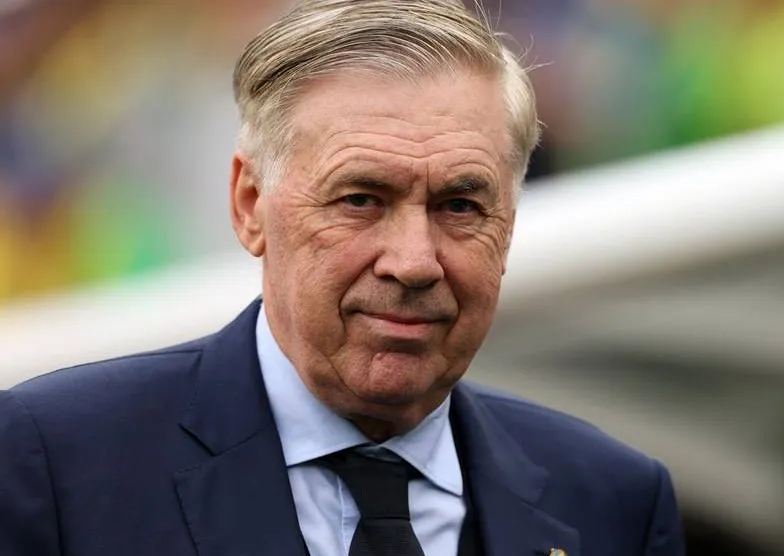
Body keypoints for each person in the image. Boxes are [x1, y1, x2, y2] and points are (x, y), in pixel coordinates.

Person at [0, 1, 685, 555]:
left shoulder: (612, 502)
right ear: (250, 205)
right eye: (361, 199)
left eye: (459, 206)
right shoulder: (52, 464)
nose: (414, 261)